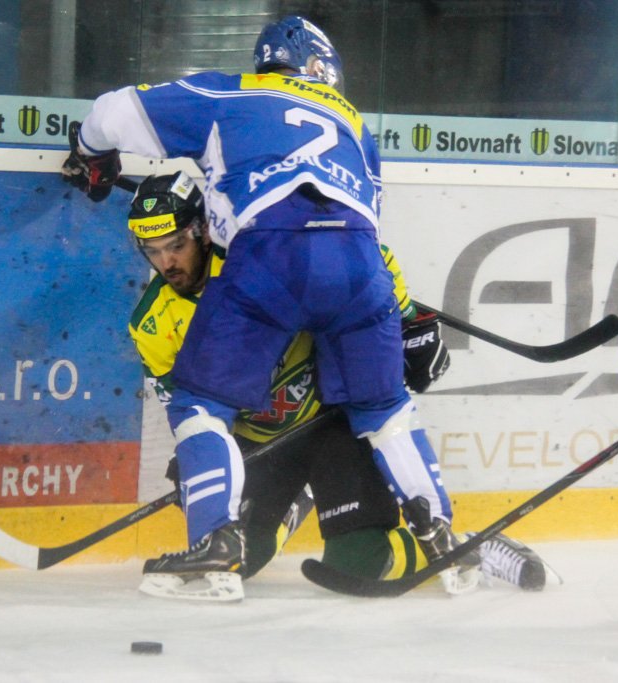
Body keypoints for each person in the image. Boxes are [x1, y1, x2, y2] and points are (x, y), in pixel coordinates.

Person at [61, 15, 478, 599]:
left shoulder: (230, 95)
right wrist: (400, 317)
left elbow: (111, 113)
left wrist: (90, 155)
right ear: (322, 68)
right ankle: (443, 537)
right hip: (359, 265)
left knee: (200, 404)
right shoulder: (356, 124)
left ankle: (214, 546)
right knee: (385, 409)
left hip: (269, 256)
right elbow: (361, 223)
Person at [125, 171, 549, 597]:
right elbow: (193, 410)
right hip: (262, 442)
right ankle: (296, 499)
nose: (167, 263)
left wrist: (409, 323)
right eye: (153, 251)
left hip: (331, 427)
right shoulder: (151, 323)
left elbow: (368, 257)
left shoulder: (261, 256)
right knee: (239, 558)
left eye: (176, 245)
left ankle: (470, 548)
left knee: (359, 561)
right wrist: (194, 459)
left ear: (202, 231)